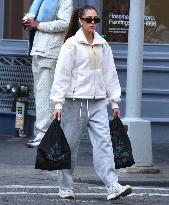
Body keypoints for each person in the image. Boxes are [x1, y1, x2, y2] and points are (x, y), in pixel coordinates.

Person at [50, 5, 132, 200]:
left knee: (104, 144)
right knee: (69, 146)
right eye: (89, 19)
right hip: (74, 103)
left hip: (97, 104)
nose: (93, 22)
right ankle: (65, 187)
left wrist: (114, 102)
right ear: (80, 21)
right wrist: (58, 104)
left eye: (96, 19)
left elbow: (110, 74)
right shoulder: (70, 44)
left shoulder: (103, 44)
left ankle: (113, 186)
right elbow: (61, 75)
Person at [22, 0, 73, 148]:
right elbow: (34, 20)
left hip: (49, 52)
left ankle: (44, 134)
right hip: (37, 50)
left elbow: (64, 24)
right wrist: (28, 22)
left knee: (45, 95)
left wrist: (38, 25)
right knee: (40, 94)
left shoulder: (64, 1)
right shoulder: (41, 1)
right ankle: (45, 134)